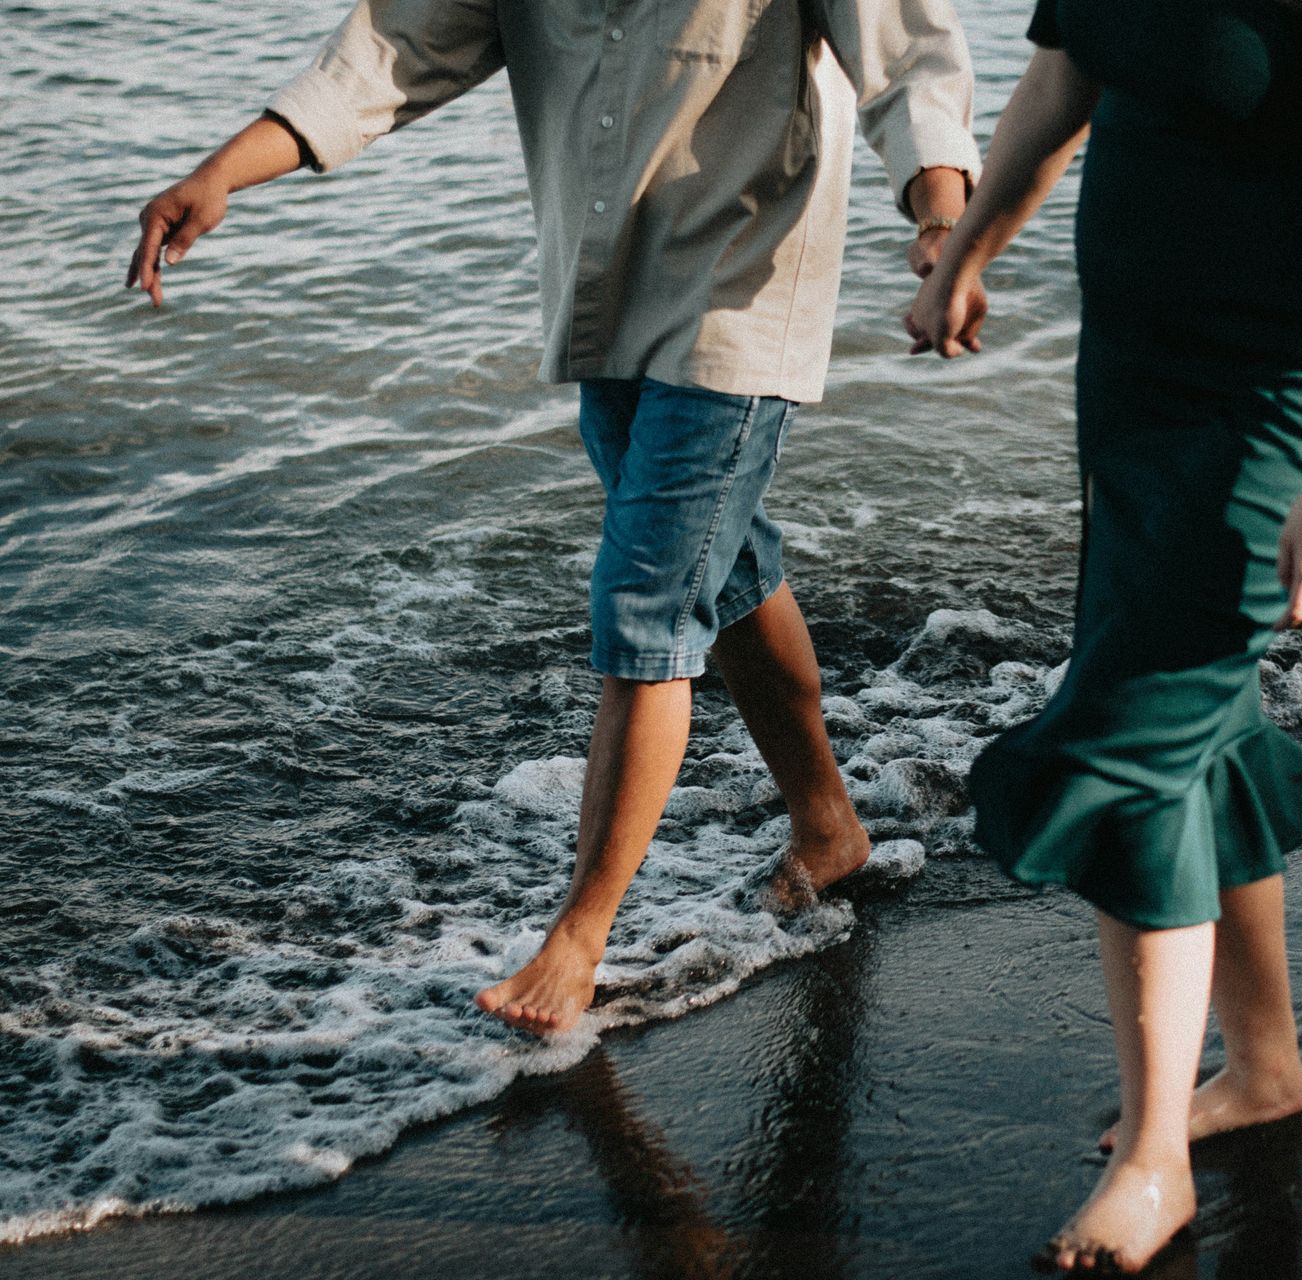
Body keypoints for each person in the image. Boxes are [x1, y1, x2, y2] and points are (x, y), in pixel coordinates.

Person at [126, 0, 982, 1036]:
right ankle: (828, 822)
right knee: (729, 566)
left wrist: (942, 223)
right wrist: (224, 170)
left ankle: (579, 936)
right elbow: (397, 47)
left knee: (649, 603)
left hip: (739, 299)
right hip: (604, 291)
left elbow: (909, 62)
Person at [908, 0, 1302, 1270]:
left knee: (1129, 742)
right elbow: (1060, 85)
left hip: (1266, 397)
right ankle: (1264, 1063)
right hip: (1133, 379)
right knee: (1195, 718)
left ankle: (1157, 1163)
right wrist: (969, 243)